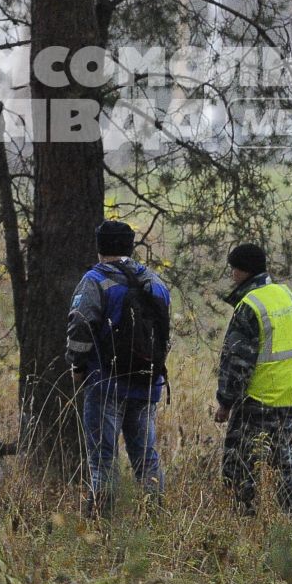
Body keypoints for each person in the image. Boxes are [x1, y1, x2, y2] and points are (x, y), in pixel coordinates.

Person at [65, 219, 170, 513]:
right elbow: (163, 332)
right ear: (129, 246)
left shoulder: (95, 280)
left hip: (105, 383)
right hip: (147, 383)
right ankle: (156, 516)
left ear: (100, 247)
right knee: (146, 458)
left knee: (102, 459)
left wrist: (77, 365)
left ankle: (102, 522)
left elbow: (79, 325)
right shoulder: (155, 281)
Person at [213, 243, 292, 515]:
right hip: (287, 398)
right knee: (285, 463)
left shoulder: (249, 305)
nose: (232, 274)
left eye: (233, 269)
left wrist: (225, 402)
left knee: (238, 466)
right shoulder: (286, 296)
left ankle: (243, 520)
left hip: (255, 402)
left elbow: (237, 363)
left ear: (242, 271)